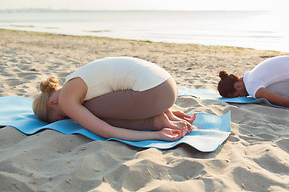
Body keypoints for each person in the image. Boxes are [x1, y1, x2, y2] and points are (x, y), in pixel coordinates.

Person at [33, 57, 196, 141]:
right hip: (168, 85)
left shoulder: (67, 99)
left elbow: (106, 131)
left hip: (154, 93)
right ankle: (163, 112)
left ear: (52, 103)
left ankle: (156, 120)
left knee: (88, 113)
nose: (68, 117)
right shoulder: (74, 79)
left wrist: (155, 135)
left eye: (61, 117)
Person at [217, 55, 289, 109]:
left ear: (237, 85)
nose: (242, 97)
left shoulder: (252, 85)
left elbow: (286, 102)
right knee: (268, 90)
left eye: (237, 95)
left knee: (267, 98)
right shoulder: (253, 73)